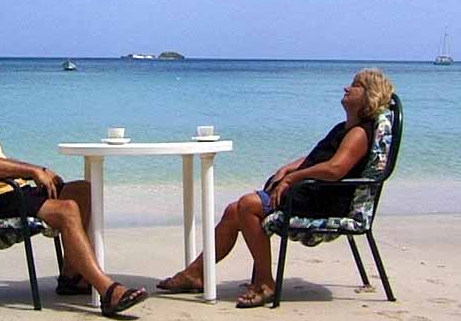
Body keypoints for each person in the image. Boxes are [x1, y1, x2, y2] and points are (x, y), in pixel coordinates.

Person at [157, 68, 395, 308]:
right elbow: (316, 158)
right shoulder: (342, 129)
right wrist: (288, 168)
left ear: (369, 96)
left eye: (355, 85)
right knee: (233, 211)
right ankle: (196, 273)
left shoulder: (359, 134)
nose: (347, 88)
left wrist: (292, 179)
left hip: (324, 200)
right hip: (312, 191)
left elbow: (335, 169)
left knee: (248, 206)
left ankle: (265, 282)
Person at [0, 57, 147, 316]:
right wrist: (32, 171)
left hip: (7, 191)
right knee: (66, 209)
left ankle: (72, 278)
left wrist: (39, 172)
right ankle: (108, 291)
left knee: (82, 192)